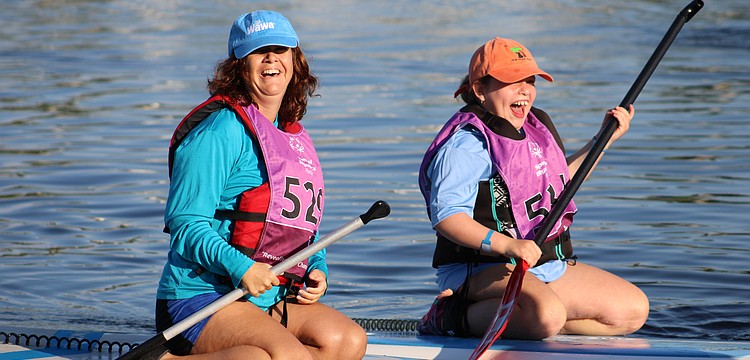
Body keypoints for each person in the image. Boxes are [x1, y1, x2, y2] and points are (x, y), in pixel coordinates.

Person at [154, 10, 367, 360]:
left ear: (295, 61)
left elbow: (300, 229)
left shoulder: (292, 136)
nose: (271, 58)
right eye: (259, 50)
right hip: (201, 296)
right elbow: (185, 224)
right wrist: (242, 268)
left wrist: (317, 269)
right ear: (239, 65)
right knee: (284, 357)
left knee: (346, 341)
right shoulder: (219, 131)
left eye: (280, 49)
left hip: (266, 297)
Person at [416, 37, 649, 340]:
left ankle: (535, 320)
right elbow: (447, 218)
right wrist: (508, 246)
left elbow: (562, 184)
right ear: (479, 90)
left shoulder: (534, 129)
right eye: (512, 81)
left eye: (530, 79)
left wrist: (602, 141)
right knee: (545, 316)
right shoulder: (466, 146)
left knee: (630, 311)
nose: (525, 89)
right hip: (478, 269)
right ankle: (448, 316)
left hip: (535, 266)